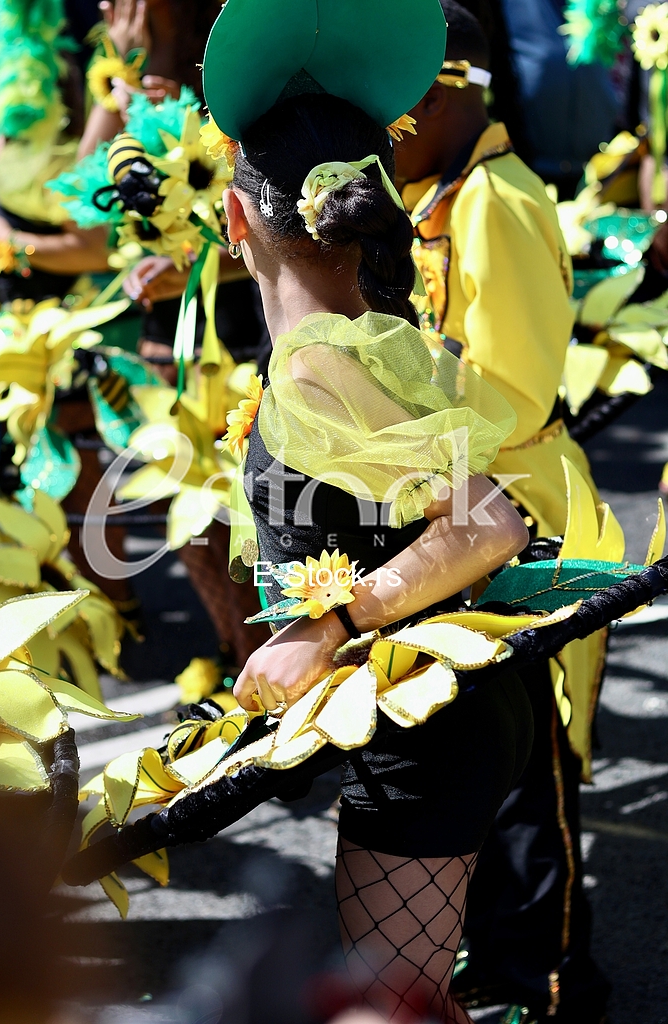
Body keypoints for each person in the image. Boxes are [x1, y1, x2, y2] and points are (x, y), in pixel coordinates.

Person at [191, 1, 536, 1020]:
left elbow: (488, 524)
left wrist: (327, 625)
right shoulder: (362, 337)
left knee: (396, 1008)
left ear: (234, 219)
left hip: (426, 730)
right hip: (435, 712)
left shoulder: (317, 369)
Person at [394, 3, 610, 1020]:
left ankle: (549, 977)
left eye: (393, 100)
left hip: (525, 516)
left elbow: (513, 393)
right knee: (474, 755)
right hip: (465, 509)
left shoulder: (496, 198)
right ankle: (497, 947)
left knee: (532, 774)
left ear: (447, 92)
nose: (377, 126)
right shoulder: (434, 193)